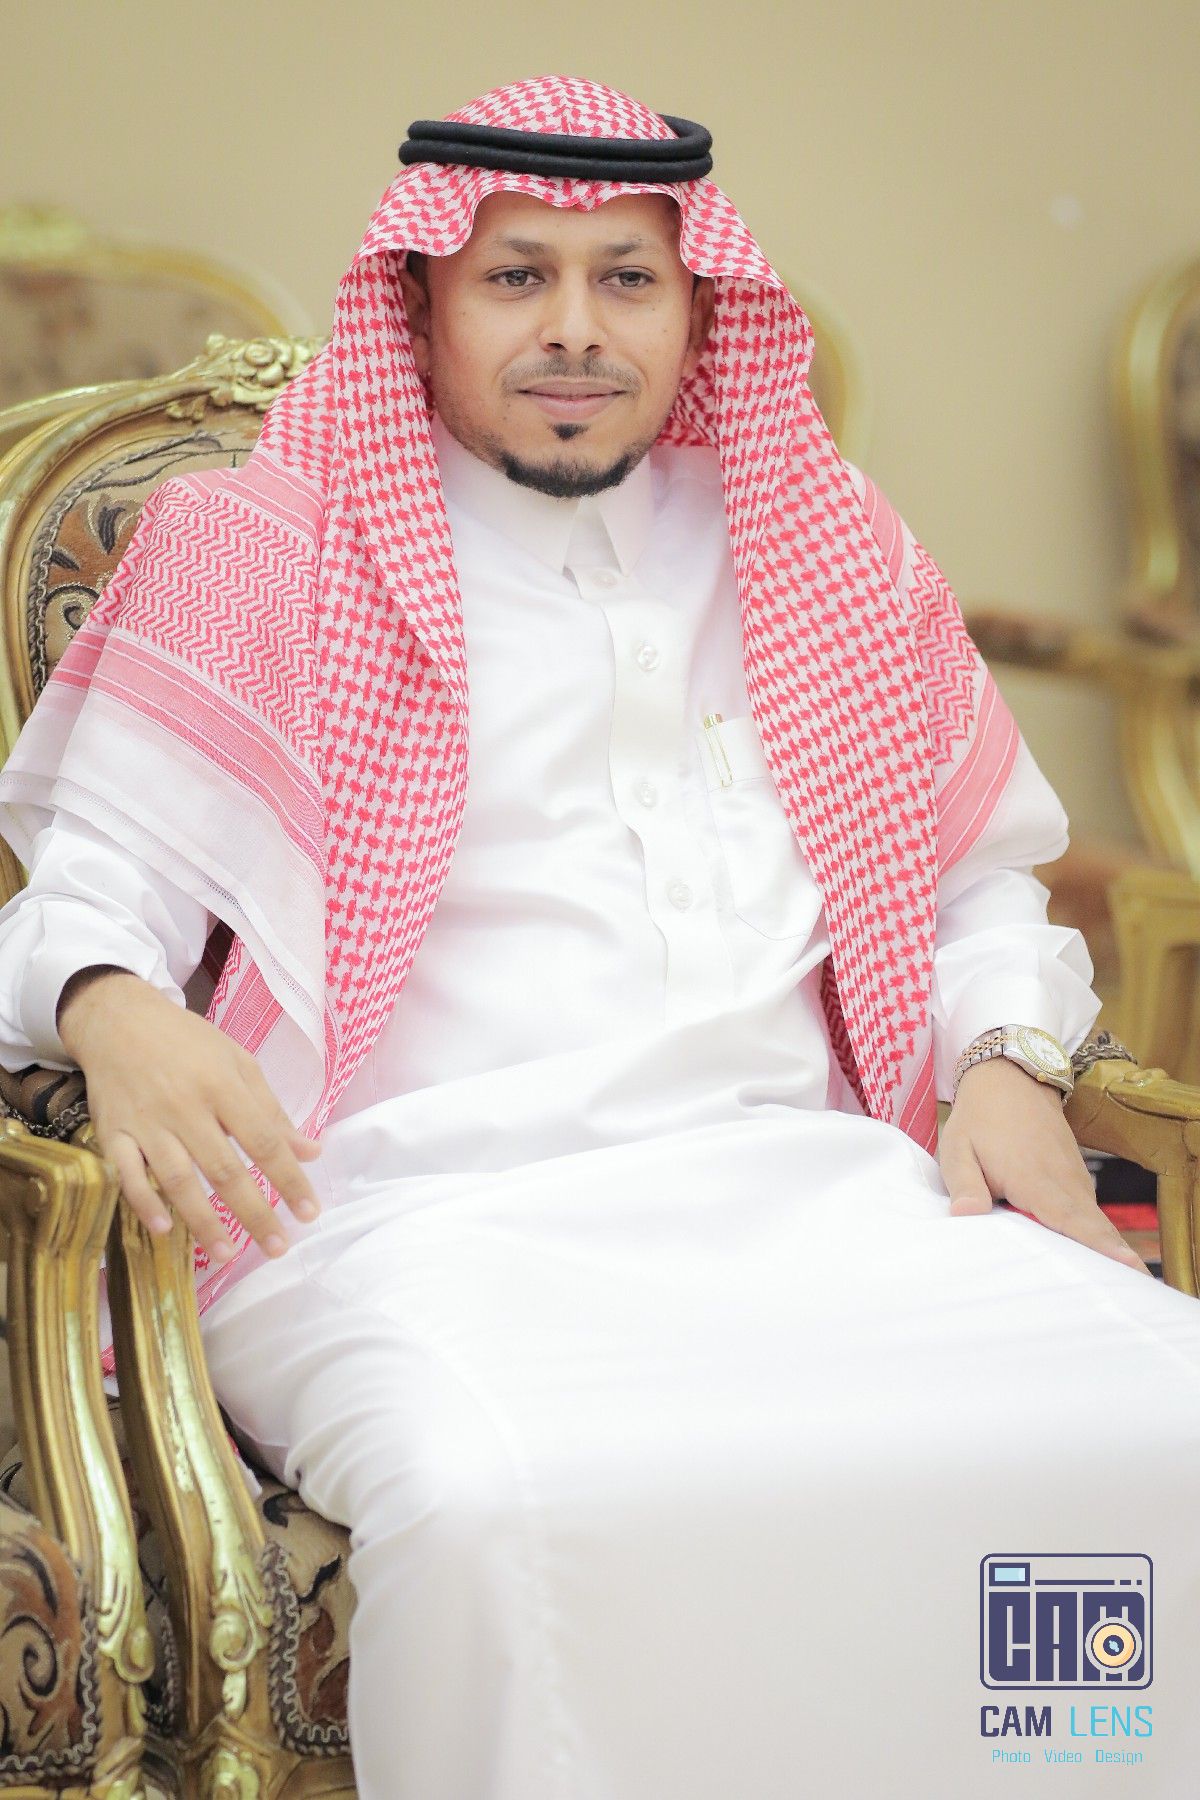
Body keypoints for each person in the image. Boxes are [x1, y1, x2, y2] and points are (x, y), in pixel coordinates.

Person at [0, 74, 1197, 1799]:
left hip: (816, 1194)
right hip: (396, 1219)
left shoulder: (824, 543)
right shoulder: (257, 548)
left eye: (627, 278)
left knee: (1158, 1418)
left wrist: (1005, 1060)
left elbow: (980, 886)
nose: (575, 328)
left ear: (699, 305)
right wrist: (117, 1008)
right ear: (425, 298)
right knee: (491, 1502)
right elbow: (75, 908)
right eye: (517, 277)